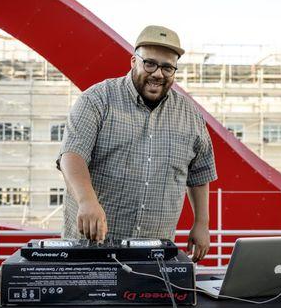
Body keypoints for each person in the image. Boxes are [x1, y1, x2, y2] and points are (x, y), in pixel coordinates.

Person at [56, 25, 217, 262]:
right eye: (149, 63)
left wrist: (202, 223)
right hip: (91, 247)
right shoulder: (96, 100)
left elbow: (199, 173)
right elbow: (71, 155)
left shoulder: (191, 116)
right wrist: (87, 200)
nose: (158, 74)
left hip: (155, 253)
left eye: (167, 67)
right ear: (133, 61)